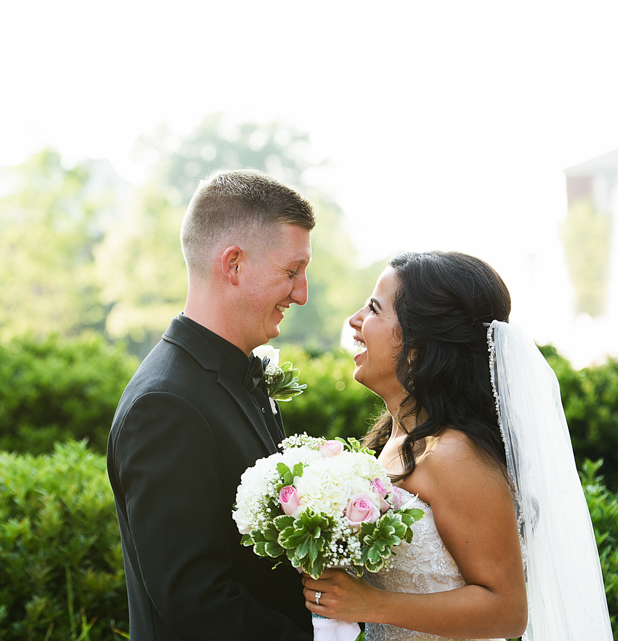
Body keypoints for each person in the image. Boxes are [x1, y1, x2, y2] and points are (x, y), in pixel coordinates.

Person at [301, 251, 611, 640]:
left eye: (375, 310)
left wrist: (368, 604)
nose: (355, 319)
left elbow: (507, 611)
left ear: (417, 344)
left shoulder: (454, 454)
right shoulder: (395, 440)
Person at [107, 169, 316, 640]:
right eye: (291, 271)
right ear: (234, 264)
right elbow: (195, 601)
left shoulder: (238, 375)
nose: (301, 294)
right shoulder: (165, 405)